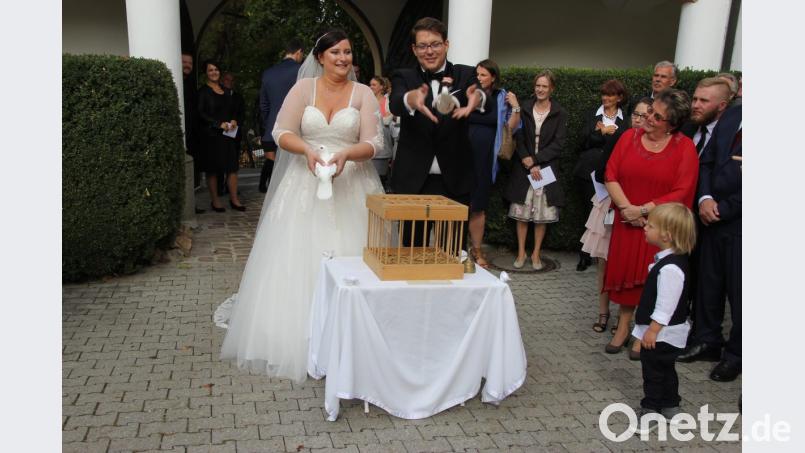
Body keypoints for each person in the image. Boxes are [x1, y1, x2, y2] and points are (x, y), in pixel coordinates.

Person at [216, 30, 384, 383]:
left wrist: (347, 154)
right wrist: (307, 150)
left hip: (352, 183)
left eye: (348, 52)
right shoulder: (303, 89)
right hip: (304, 181)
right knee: (297, 253)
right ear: (320, 57)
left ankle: (351, 338)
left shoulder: (363, 93)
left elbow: (374, 143)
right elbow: (281, 132)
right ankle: (297, 335)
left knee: (353, 254)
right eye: (335, 52)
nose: (343, 58)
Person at [603, 89, 698, 359]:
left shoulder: (684, 148)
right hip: (627, 221)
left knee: (652, 280)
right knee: (625, 276)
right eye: (650, 111)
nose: (648, 117)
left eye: (657, 116)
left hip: (659, 228)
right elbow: (610, 174)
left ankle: (642, 332)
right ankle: (623, 327)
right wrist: (627, 209)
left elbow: (683, 190)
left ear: (672, 124)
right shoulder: (628, 138)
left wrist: (643, 210)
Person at [388, 17, 485, 212]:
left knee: (453, 234)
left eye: (435, 44)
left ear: (446, 45)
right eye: (423, 46)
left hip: (456, 181)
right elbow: (396, 104)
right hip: (412, 182)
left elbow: (485, 100)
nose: (429, 51)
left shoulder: (466, 74)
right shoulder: (403, 76)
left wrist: (478, 98)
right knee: (411, 234)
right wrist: (411, 99)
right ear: (414, 49)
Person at [676, 105, 742, 382]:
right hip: (711, 219)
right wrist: (704, 199)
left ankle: (736, 355)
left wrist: (725, 208)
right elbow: (707, 161)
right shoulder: (733, 115)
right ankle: (707, 341)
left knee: (741, 294)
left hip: (740, 222)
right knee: (709, 284)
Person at [578, 84, 641, 333]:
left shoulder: (657, 146)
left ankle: (623, 320)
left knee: (628, 265)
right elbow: (603, 171)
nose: (639, 120)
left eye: (645, 116)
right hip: (609, 204)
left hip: (637, 210)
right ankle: (603, 313)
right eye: (636, 115)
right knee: (603, 261)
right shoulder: (620, 137)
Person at [632, 202, 696, 422]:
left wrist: (653, 330)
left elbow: (666, 305)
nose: (645, 228)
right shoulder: (670, 262)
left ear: (666, 235)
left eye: (650, 226)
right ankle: (670, 405)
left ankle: (651, 408)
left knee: (654, 372)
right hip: (665, 333)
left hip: (662, 334)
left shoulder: (670, 268)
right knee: (666, 369)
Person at [503, 70, 567, 270]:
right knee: (522, 214)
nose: (540, 89)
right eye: (538, 85)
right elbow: (518, 136)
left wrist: (537, 161)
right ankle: (521, 252)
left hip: (546, 169)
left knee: (541, 217)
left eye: (544, 86)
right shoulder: (524, 107)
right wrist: (528, 161)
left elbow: (559, 143)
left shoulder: (560, 112)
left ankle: (536, 253)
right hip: (524, 168)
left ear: (551, 89)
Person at [467, 59, 522, 268]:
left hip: (485, 160)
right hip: (462, 159)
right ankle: (455, 251)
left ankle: (476, 250)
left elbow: (511, 128)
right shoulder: (469, 94)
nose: (479, 78)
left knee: (478, 207)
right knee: (457, 205)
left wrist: (515, 107)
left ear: (493, 77)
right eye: (477, 74)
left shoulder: (501, 96)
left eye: (483, 75)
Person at [575, 79, 629, 273]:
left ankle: (606, 255)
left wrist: (604, 133)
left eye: (610, 94)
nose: (606, 98)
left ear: (619, 98)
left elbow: (625, 143)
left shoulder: (627, 119)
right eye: (604, 94)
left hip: (613, 175)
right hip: (588, 172)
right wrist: (602, 133)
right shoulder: (592, 114)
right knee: (588, 213)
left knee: (609, 215)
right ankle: (584, 256)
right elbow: (582, 141)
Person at [197, 60, 245, 212]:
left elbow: (233, 110)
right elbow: (200, 113)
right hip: (211, 136)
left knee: (232, 168)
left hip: (228, 135)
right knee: (212, 170)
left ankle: (234, 200)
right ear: (206, 73)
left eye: (216, 69)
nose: (214, 72)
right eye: (210, 70)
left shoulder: (226, 91)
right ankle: (215, 201)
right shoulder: (202, 92)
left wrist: (234, 120)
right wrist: (218, 124)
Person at [258, 39, 304, 193]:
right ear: (299, 52)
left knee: (273, 167)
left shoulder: (268, 73)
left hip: (272, 130)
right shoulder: (301, 71)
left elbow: (263, 105)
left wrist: (269, 124)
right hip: (297, 130)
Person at [680, 77, 732, 157]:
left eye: (704, 101)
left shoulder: (731, 138)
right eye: (695, 99)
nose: (696, 105)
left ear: (722, 106)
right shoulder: (683, 127)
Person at [181, 52, 204, 213]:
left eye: (190, 62)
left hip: (193, 132)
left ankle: (191, 204)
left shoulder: (190, 83)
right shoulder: (176, 80)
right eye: (184, 62)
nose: (187, 65)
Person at [217, 71, 246, 198]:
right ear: (222, 81)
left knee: (233, 163)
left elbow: (242, 114)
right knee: (219, 161)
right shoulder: (217, 95)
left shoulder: (238, 97)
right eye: (227, 79)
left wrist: (236, 121)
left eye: (232, 80)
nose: (229, 82)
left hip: (234, 135)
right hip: (219, 133)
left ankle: (231, 187)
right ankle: (219, 187)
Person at [369, 76, 394, 183]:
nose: (371, 87)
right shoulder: (367, 101)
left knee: (381, 178)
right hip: (369, 143)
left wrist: (384, 118)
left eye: (374, 85)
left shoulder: (388, 101)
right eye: (370, 84)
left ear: (381, 87)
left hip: (384, 145)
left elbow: (389, 119)